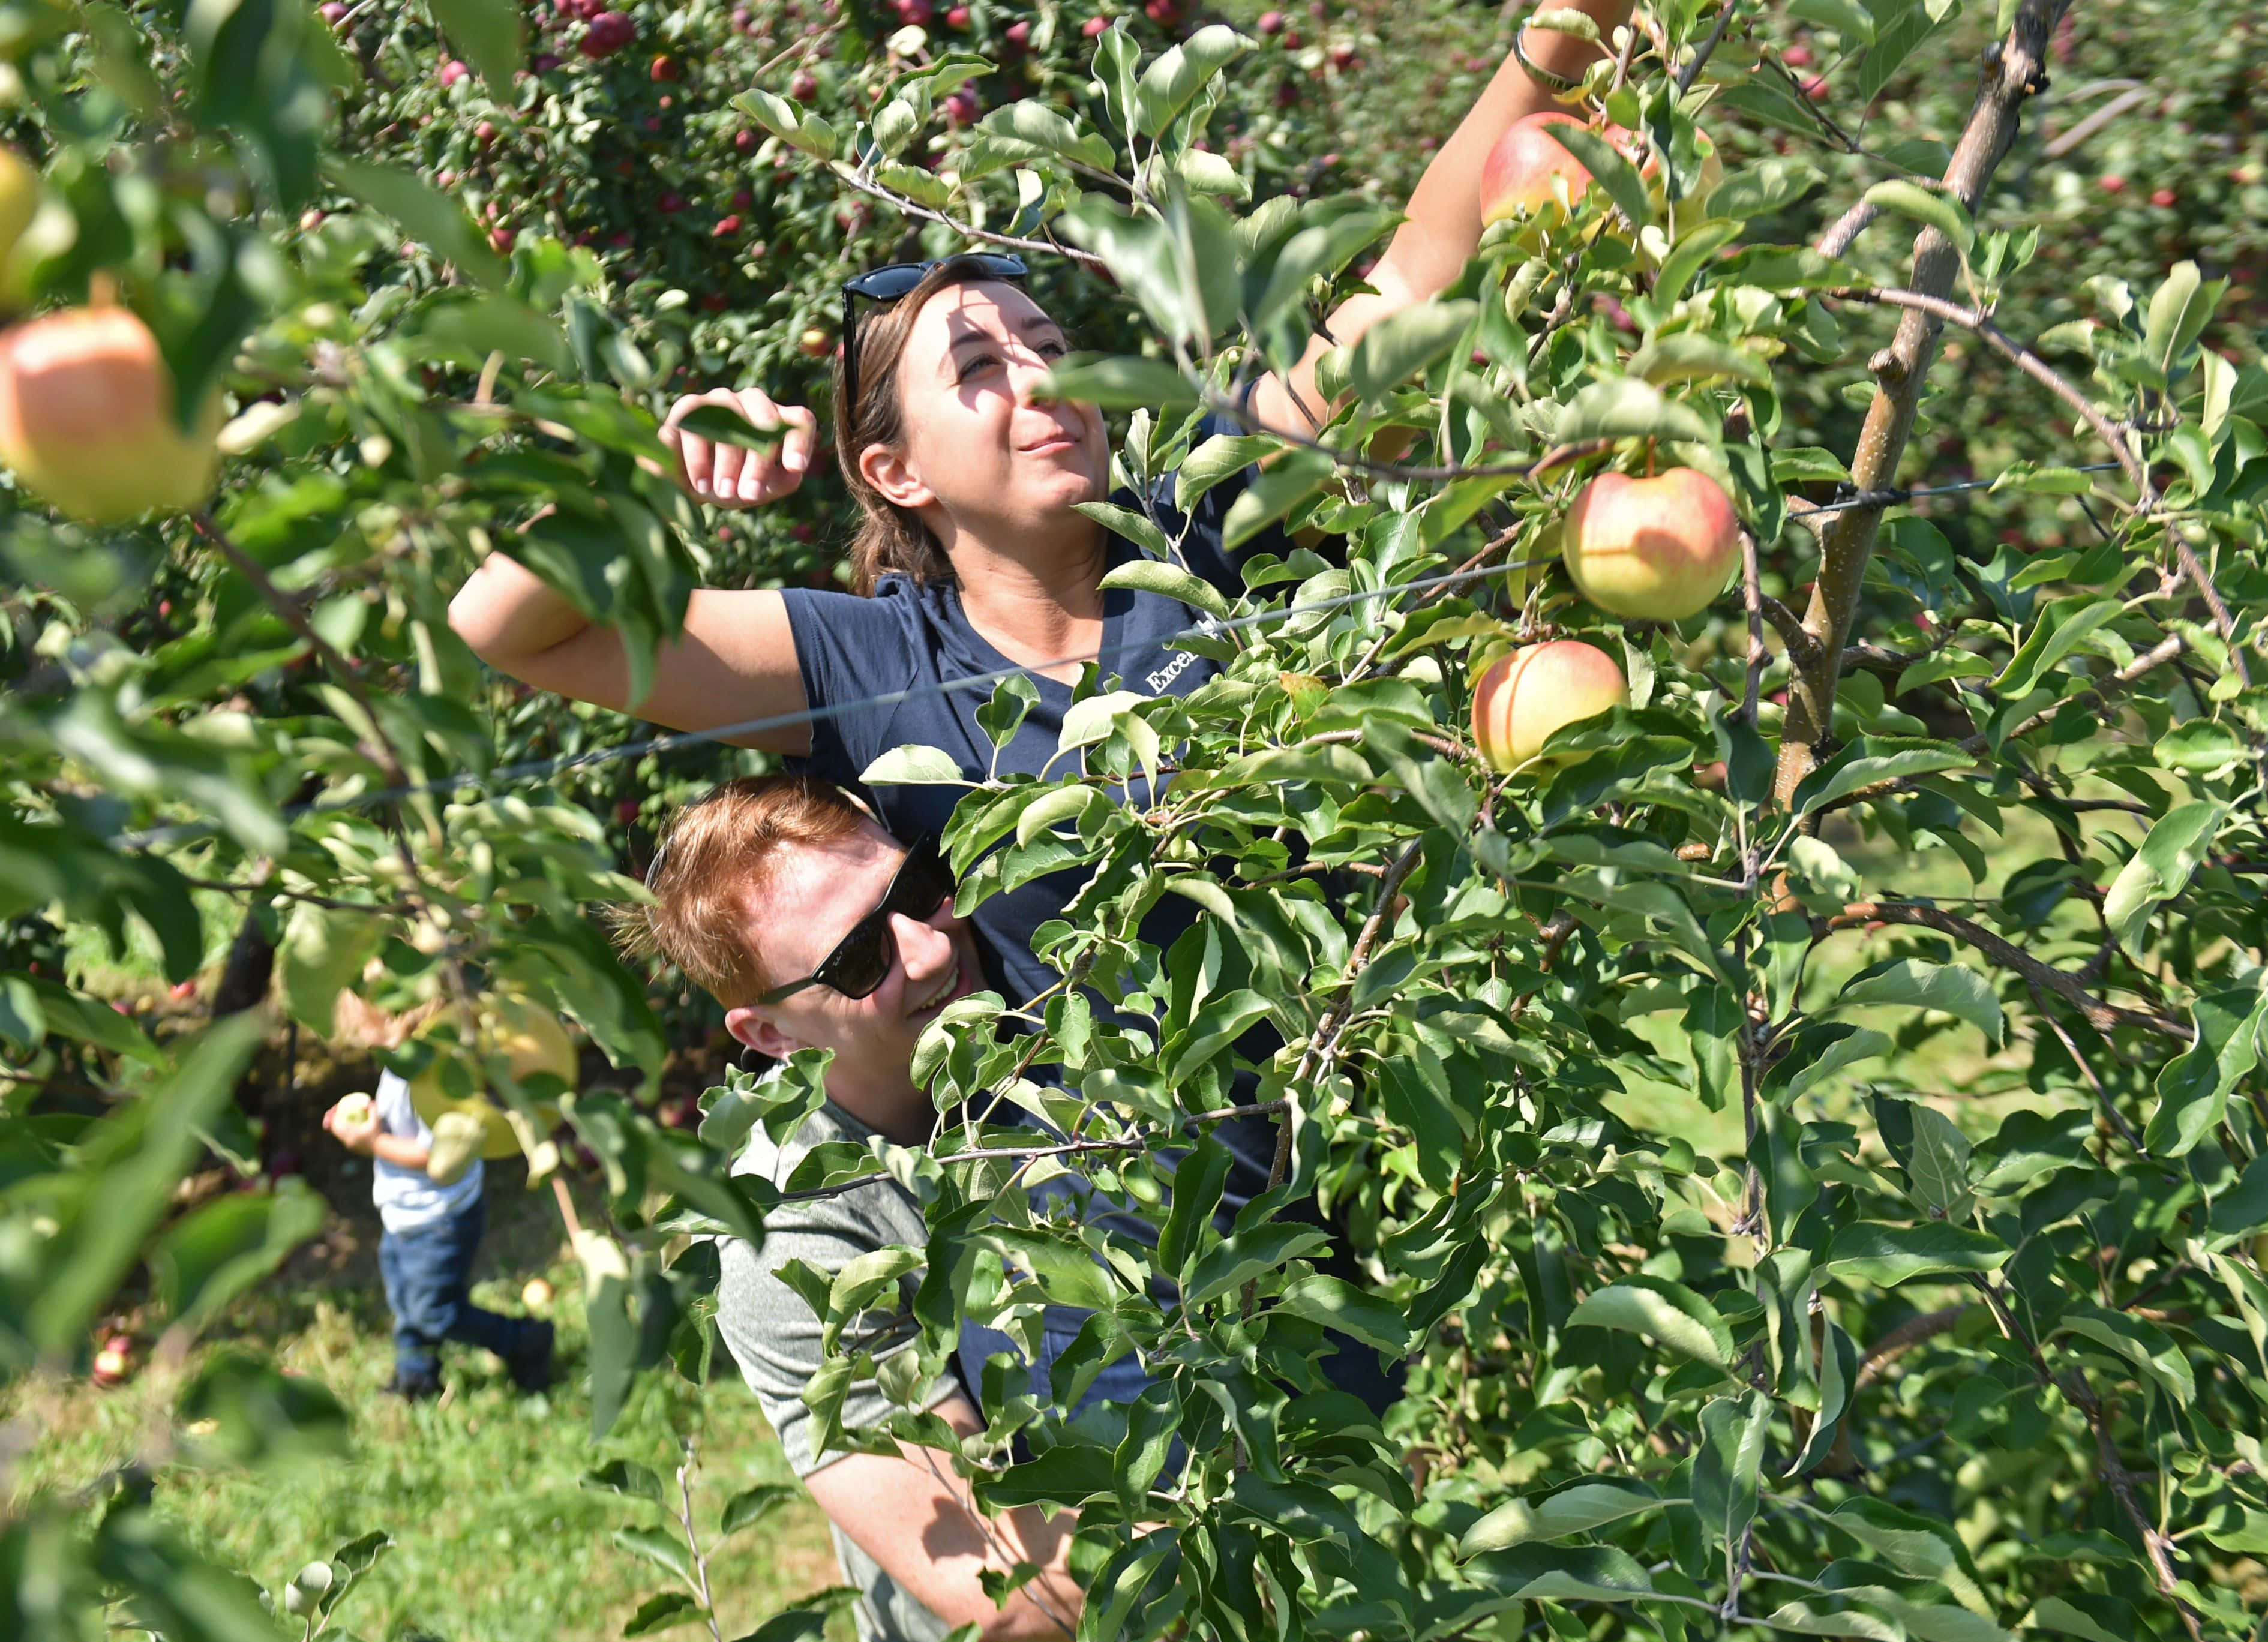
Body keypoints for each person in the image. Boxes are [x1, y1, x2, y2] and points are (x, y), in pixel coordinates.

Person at [446, 5, 1634, 1217]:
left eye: (1051, 344)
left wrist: (1570, 26)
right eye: (978, 371)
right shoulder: (873, 658)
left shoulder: (1220, 517)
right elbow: (507, 627)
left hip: (1364, 1217)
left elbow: (1421, 268)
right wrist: (643, 464)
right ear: (895, 472)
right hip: (1106, 1303)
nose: (1044, 381)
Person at [617, 772, 1114, 1642]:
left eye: (918, 885)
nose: (932, 947)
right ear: (769, 1032)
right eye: (857, 958)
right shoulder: (793, 1237)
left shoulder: (1035, 1000)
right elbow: (1007, 1581)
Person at [323, 1069, 556, 1401]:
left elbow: (437, 1157)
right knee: (405, 1299)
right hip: (404, 1213)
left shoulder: (437, 1075)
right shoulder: (398, 1064)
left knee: (433, 1311)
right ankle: (415, 1376)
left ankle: (524, 1340)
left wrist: (372, 1142)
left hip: (440, 1219)